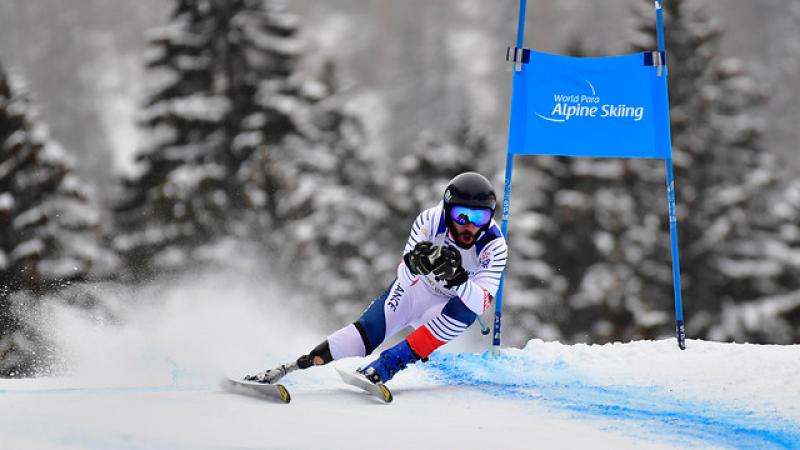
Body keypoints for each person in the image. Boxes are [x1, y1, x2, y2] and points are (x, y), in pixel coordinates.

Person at [246, 171, 508, 385]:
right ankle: (289, 368)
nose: (470, 225)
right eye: (462, 215)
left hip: (444, 309)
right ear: (448, 209)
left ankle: (389, 365)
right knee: (361, 336)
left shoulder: (494, 246)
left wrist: (459, 281)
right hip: (416, 292)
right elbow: (404, 278)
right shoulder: (430, 221)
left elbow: (480, 304)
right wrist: (415, 263)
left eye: (480, 216)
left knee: (464, 310)